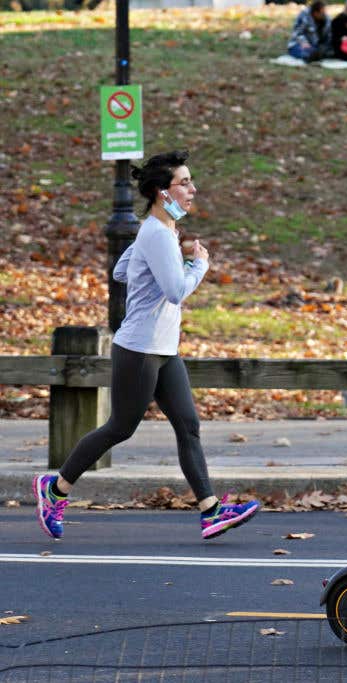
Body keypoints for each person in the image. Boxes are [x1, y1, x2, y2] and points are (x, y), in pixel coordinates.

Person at [32, 150, 260, 541]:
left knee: (188, 426)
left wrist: (157, 259)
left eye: (190, 181)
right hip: (139, 348)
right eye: (184, 183)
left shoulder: (161, 231)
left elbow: (122, 270)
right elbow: (175, 291)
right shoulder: (156, 233)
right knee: (121, 426)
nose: (192, 189)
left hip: (164, 348)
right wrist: (199, 264)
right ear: (160, 192)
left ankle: (211, 512)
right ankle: (54, 490)